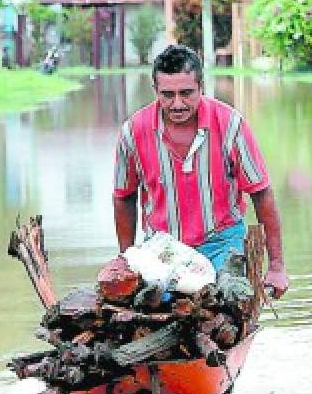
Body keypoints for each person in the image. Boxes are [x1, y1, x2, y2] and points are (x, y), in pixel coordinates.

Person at [113, 44, 289, 296]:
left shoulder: (230, 125)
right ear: (155, 91)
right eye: (167, 95)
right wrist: (126, 258)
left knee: (229, 296)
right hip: (163, 248)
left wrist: (276, 266)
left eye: (186, 93)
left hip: (222, 243)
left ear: (201, 87)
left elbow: (261, 193)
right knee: (151, 303)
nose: (177, 104)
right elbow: (123, 197)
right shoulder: (133, 132)